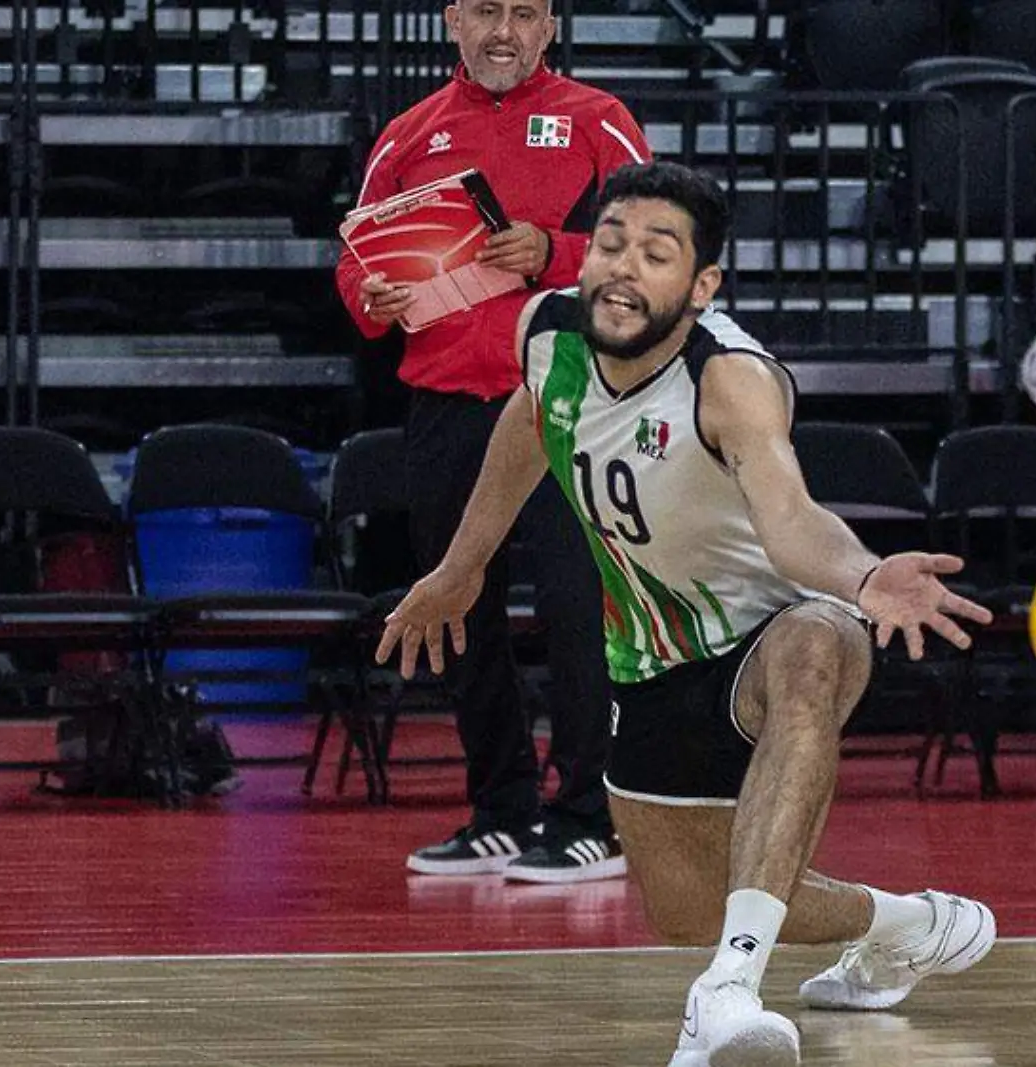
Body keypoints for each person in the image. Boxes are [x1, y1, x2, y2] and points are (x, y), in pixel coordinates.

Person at [376, 162, 998, 1066]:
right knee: (688, 910)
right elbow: (531, 424)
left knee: (816, 649)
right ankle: (910, 923)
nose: (625, 269)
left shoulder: (731, 380)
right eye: (613, 244)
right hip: (653, 661)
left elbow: (790, 521)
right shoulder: (547, 333)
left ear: (702, 286)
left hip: (772, 626)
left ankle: (730, 990)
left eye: (657, 254)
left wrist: (862, 579)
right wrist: (462, 565)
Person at [335, 0, 652, 883]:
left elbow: (663, 245)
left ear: (551, 26)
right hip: (442, 403)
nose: (502, 30)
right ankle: (502, 810)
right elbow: (358, 256)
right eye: (484, 11)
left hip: (566, 396)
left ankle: (590, 814)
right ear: (451, 22)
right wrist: (371, 297)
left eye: (522, 12)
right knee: (455, 606)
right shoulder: (408, 134)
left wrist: (552, 251)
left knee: (573, 604)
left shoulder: (601, 122)